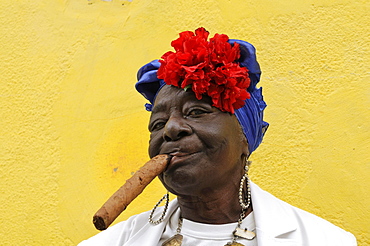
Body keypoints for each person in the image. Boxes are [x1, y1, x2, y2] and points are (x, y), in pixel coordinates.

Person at [79, 28, 356, 246]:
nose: (171, 129)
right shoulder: (108, 244)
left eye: (197, 111)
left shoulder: (326, 241)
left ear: (245, 138)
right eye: (158, 122)